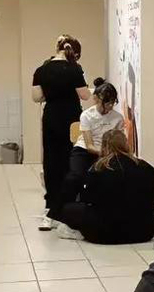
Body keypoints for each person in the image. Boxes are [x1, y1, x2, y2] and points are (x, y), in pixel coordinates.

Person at [57, 130, 154, 244]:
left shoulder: (97, 169)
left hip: (104, 234)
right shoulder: (147, 168)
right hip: (144, 232)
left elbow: (86, 200)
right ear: (126, 144)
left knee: (68, 209)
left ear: (103, 147)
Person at [32, 35, 92, 231]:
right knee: (70, 159)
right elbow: (85, 95)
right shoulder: (75, 69)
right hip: (71, 120)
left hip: (50, 117)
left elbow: (36, 97)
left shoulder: (41, 70)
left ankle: (50, 205)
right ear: (75, 53)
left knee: (51, 160)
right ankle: (67, 205)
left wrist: (53, 92)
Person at [53, 79, 124, 225]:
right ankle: (57, 214)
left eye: (112, 103)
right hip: (85, 150)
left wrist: (112, 154)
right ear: (96, 99)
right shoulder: (87, 115)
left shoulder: (118, 118)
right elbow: (90, 145)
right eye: (106, 103)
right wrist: (105, 153)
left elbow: (118, 142)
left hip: (107, 152)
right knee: (74, 177)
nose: (109, 107)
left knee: (111, 177)